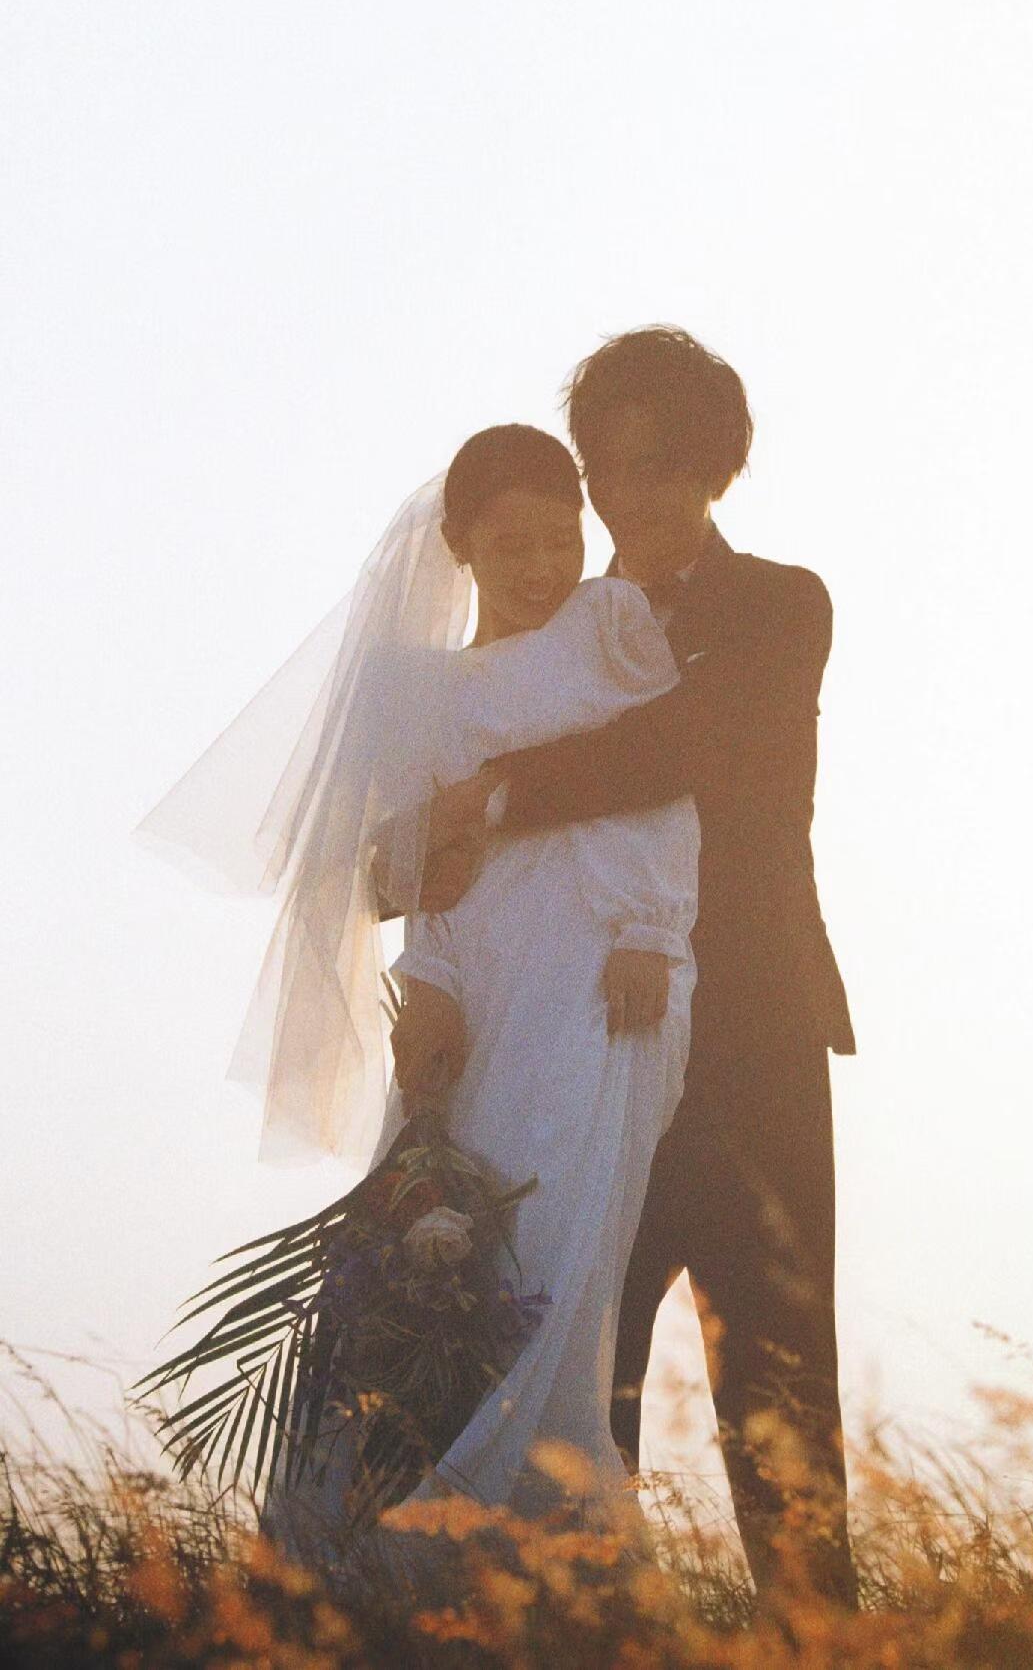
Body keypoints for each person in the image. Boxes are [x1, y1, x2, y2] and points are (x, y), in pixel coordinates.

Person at [139, 424, 700, 1555]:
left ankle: (537, 1524)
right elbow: (410, 873)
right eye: (512, 544)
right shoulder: (415, 690)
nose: (542, 566)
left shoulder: (609, 621)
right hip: (476, 980)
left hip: (602, 966)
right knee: (443, 1234)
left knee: (565, 1242)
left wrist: (650, 926)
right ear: (461, 547)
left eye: (559, 537)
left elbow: (663, 784)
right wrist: (430, 978)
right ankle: (381, 1533)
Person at [405, 328, 858, 1603]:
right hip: (577, 1041)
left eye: (661, 467)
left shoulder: (781, 604)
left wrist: (495, 793)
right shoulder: (550, 627)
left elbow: (691, 745)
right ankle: (587, 1618)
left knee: (780, 1375)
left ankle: (821, 1640)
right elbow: (433, 834)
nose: (631, 496)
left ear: (714, 468)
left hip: (754, 1039)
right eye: (607, 470)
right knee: (567, 1364)